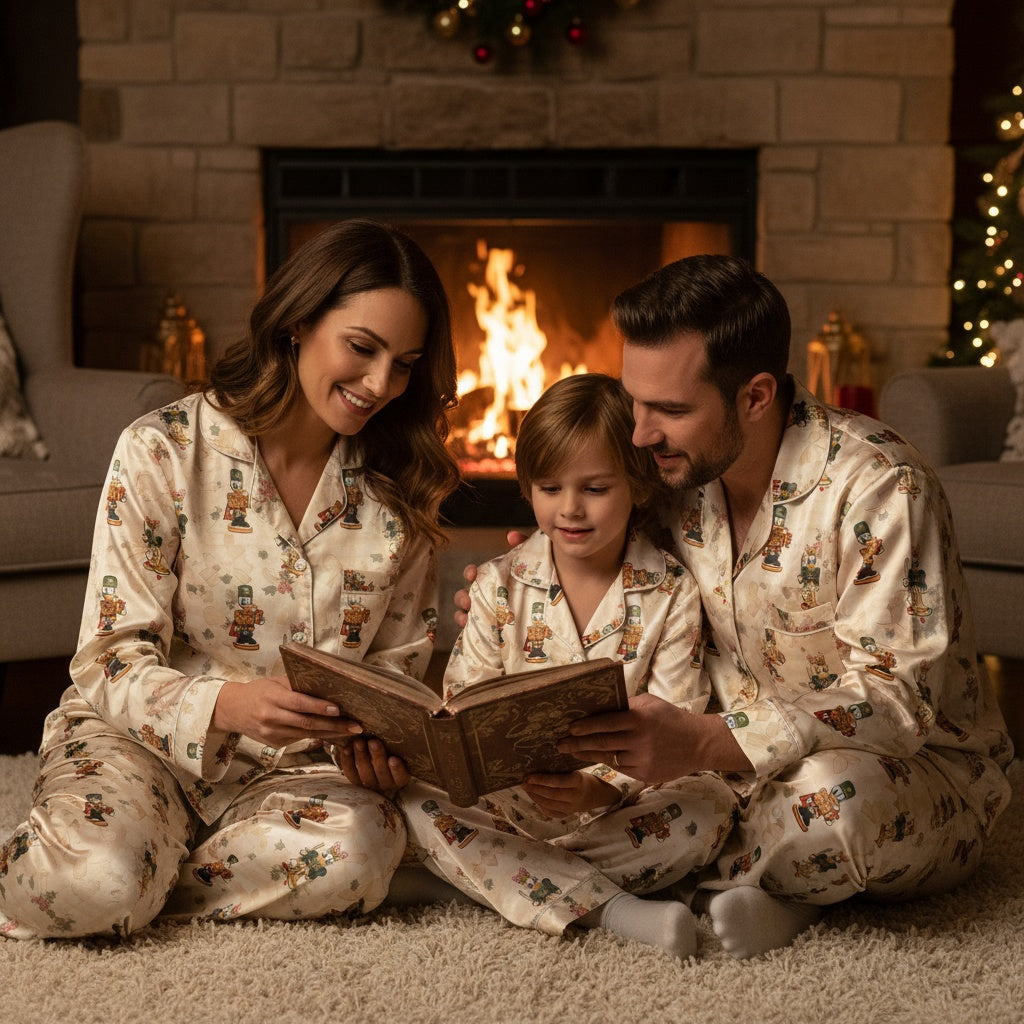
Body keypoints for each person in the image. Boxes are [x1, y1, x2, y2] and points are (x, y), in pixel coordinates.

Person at [456, 254, 1014, 959]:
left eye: (671, 410)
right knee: (548, 801)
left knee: (831, 805)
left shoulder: (879, 487)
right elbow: (596, 555)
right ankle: (720, 890)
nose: (639, 434)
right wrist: (514, 581)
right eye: (636, 401)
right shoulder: (674, 473)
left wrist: (707, 743)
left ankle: (571, 883)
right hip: (707, 779)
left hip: (895, 772)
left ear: (753, 397)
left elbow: (899, 701)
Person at [0, 219, 461, 939]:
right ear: (299, 323)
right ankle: (113, 871)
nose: (381, 385)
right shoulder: (161, 451)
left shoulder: (399, 493)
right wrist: (229, 705)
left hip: (296, 775)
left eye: (404, 364)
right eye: (362, 349)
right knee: (88, 880)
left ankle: (141, 881)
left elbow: (395, 678)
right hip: (137, 741)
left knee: (358, 854)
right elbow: (108, 659)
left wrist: (383, 751)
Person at [397, 373, 735, 961]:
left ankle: (482, 881)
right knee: (413, 800)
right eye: (549, 487)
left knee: (709, 808)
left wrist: (594, 790)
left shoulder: (672, 591)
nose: (570, 509)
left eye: (596, 488)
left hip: (619, 807)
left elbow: (679, 721)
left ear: (637, 486)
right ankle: (616, 908)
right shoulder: (498, 583)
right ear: (526, 489)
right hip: (509, 802)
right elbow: (462, 702)